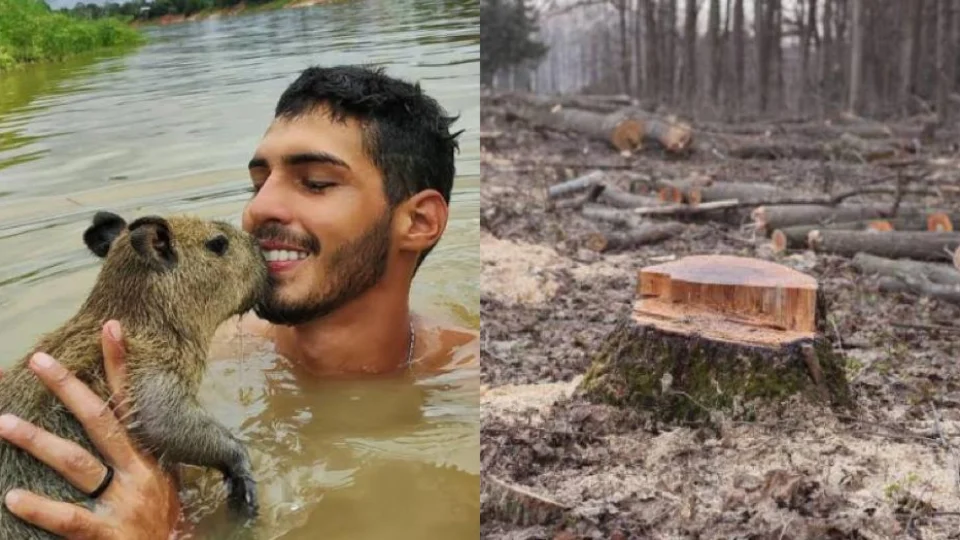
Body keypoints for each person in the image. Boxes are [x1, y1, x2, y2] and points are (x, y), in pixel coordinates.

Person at [0, 64, 477, 539]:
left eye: (315, 182)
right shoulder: (206, 346)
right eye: (257, 184)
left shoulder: (474, 389)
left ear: (418, 222)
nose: (257, 209)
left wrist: (171, 530)